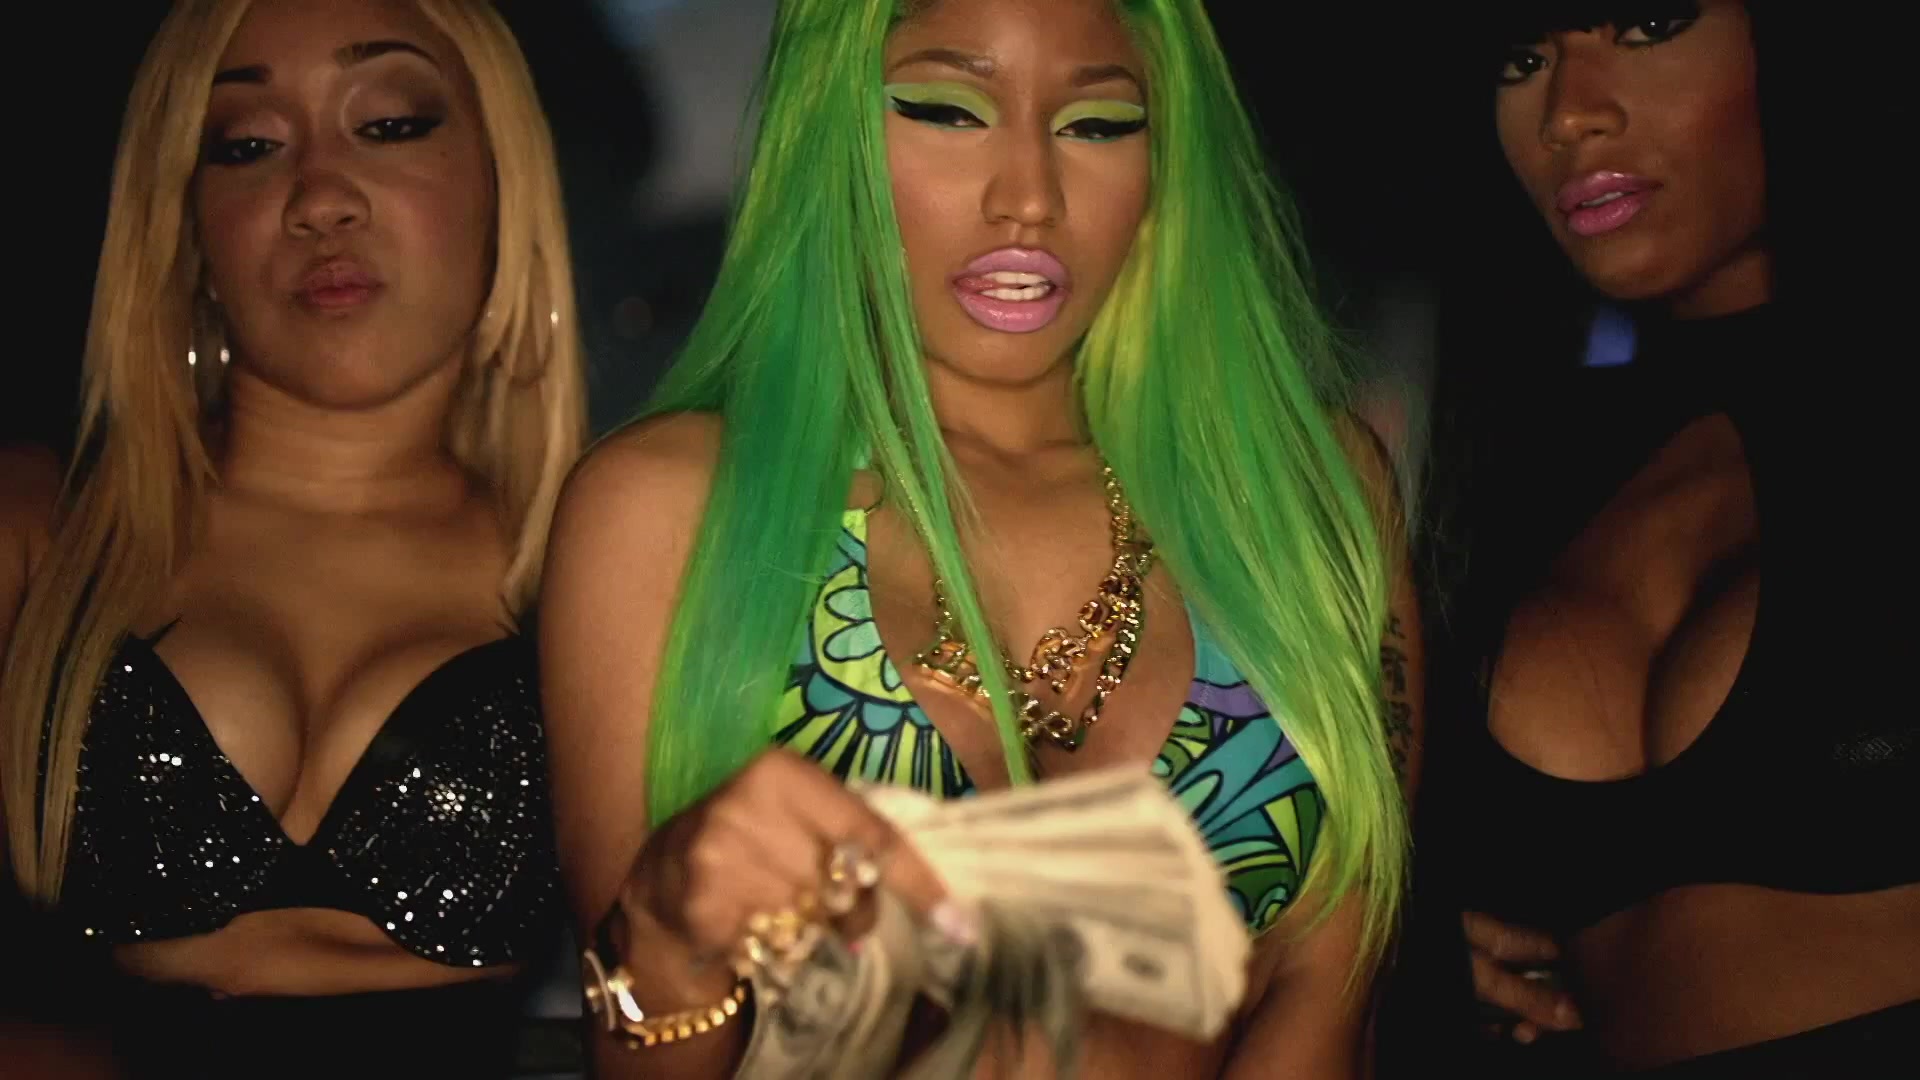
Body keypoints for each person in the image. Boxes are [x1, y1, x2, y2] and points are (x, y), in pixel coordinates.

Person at [541, 0, 1422, 1076]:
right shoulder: (670, 508)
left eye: (1098, 124)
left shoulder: (1307, 494)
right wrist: (670, 936)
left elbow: (1329, 999)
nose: (1029, 198)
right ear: (832, 133)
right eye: (947, 110)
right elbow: (642, 1054)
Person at [0, 1, 585, 1075]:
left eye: (392, 123)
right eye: (248, 145)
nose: (319, 198)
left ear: (505, 183)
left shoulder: (596, 568)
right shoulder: (43, 534)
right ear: (185, 224)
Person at [1434, 1, 1919, 1073]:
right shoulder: (1499, 475)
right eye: (1522, 57)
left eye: (1648, 23)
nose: (1569, 114)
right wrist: (1407, 941)